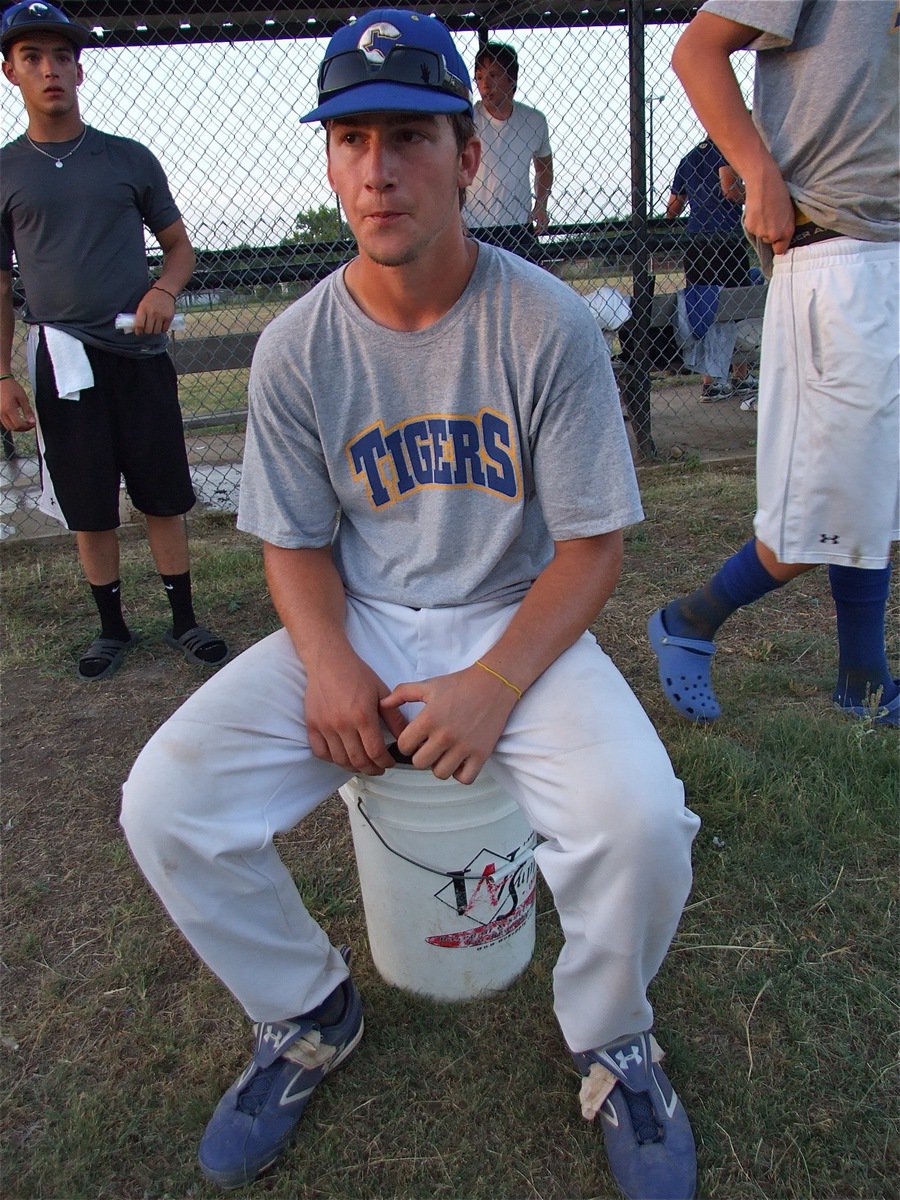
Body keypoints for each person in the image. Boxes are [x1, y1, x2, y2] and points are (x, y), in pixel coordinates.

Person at [120, 9, 701, 1198]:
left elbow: (593, 547)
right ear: (330, 162)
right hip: (366, 615)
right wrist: (327, 661)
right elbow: (292, 542)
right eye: (351, 140)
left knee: (639, 823)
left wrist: (493, 686)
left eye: (409, 137)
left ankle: (612, 1034)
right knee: (166, 802)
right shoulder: (295, 347)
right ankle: (307, 1009)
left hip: (512, 613)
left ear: (467, 156)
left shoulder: (543, 322)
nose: (377, 168)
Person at [648, 0, 899, 727]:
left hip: (887, 243)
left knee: (873, 487)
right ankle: (692, 618)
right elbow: (698, 50)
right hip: (835, 247)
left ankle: (863, 678)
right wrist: (757, 169)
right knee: (817, 509)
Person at [0, 0, 227, 680]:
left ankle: (184, 618)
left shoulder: (127, 158)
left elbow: (180, 248)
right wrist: (3, 377)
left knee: (162, 492)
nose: (51, 70)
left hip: (139, 355)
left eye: (63, 56)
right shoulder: (7, 170)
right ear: (9, 71)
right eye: (33, 57)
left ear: (80, 68)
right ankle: (112, 626)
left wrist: (162, 293)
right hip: (63, 360)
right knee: (88, 501)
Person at [666, 137, 755, 400]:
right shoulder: (727, 149)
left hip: (696, 242)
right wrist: (757, 192)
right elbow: (730, 189)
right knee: (735, 304)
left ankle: (718, 377)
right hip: (725, 240)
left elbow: (673, 208)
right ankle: (729, 376)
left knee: (707, 305)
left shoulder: (689, 158)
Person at [462, 41, 553, 264]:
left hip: (518, 227)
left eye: (493, 75)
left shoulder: (534, 120)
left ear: (511, 79)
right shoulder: (467, 121)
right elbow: (447, 172)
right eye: (480, 77)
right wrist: (454, 218)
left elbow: (544, 166)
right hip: (473, 228)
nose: (485, 85)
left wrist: (541, 205)